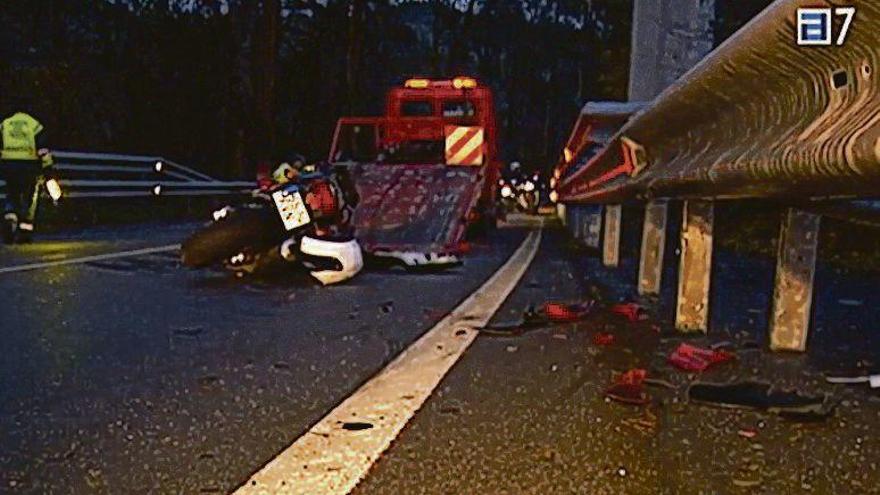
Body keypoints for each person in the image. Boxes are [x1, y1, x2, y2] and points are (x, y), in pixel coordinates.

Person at [1, 108, 53, 243]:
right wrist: (47, 167)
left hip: (8, 165)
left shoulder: (5, 124)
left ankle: (10, 217)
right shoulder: (34, 124)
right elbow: (42, 149)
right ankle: (25, 231)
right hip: (29, 165)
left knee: (12, 193)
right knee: (30, 198)